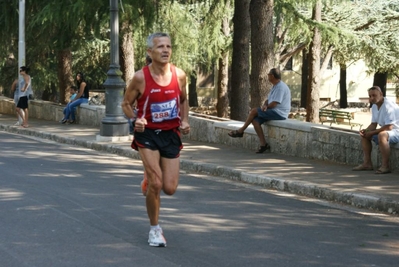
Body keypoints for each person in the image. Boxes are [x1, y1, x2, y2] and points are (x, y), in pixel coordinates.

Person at [121, 32, 190, 247]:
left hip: (170, 134)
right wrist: (135, 120)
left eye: (168, 46)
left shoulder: (179, 75)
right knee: (156, 183)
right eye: (160, 46)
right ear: (150, 52)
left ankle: (149, 177)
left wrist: (185, 120)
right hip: (148, 134)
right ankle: (154, 230)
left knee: (169, 188)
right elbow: (125, 104)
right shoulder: (140, 77)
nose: (165, 50)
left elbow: (184, 99)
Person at [228, 68, 291, 153]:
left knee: (254, 111)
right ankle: (263, 144)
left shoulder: (280, 87)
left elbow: (275, 103)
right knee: (255, 121)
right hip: (273, 111)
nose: (267, 76)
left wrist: (266, 107)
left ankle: (240, 131)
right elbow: (269, 100)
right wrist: (265, 104)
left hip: (279, 113)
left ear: (272, 76)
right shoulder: (275, 86)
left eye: (268, 74)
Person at [352, 86, 399, 174]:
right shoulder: (374, 106)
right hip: (388, 130)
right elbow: (374, 124)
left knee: (382, 135)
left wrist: (372, 132)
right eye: (370, 96)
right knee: (365, 136)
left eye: (374, 95)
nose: (372, 98)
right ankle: (367, 164)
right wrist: (366, 131)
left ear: (381, 94)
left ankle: (385, 166)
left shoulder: (388, 105)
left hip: (396, 131)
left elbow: (389, 127)